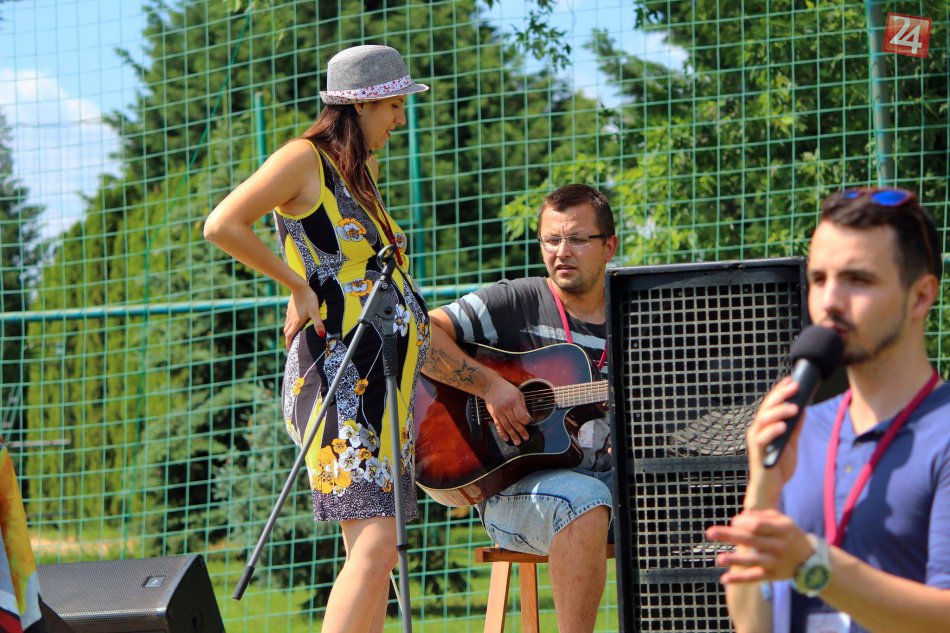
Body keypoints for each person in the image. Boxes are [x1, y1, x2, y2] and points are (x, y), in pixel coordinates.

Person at [204, 44, 430, 633]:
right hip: (338, 380)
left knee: (375, 556)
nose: (400, 118)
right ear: (361, 105)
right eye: (394, 105)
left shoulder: (358, 173)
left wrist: (306, 277)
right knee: (376, 546)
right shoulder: (303, 158)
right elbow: (222, 224)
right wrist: (296, 285)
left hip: (382, 389)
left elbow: (331, 253)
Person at [706, 187, 950, 633]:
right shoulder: (803, 429)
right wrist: (762, 487)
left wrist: (813, 564)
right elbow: (752, 624)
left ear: (920, 297)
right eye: (819, 279)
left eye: (859, 279)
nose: (831, 301)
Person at [423, 183, 619, 633]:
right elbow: (420, 334)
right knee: (585, 500)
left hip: (614, 483)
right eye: (551, 240)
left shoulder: (633, 315)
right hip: (513, 493)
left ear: (609, 246)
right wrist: (491, 386)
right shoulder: (516, 301)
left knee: (699, 498)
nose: (561, 252)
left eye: (577, 239)